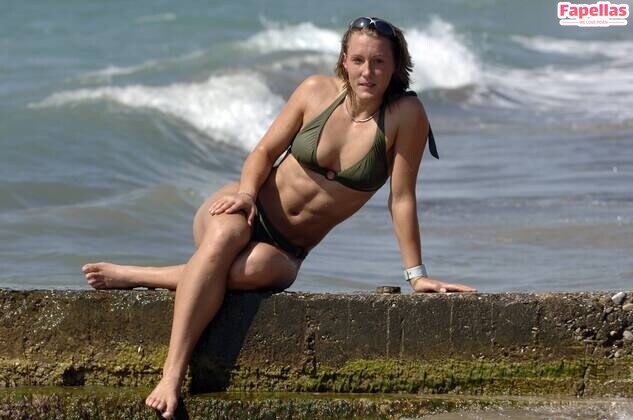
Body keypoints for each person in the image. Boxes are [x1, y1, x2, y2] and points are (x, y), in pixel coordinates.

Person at [82, 16, 475, 419]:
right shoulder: (315, 91)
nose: (367, 72)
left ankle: (138, 275)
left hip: (287, 249)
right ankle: (172, 375)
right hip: (247, 207)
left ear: (395, 66)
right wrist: (246, 195)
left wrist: (416, 275)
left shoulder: (406, 115)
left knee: (250, 270)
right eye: (358, 60)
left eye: (378, 62)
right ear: (344, 59)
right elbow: (263, 153)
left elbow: (402, 198)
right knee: (224, 239)